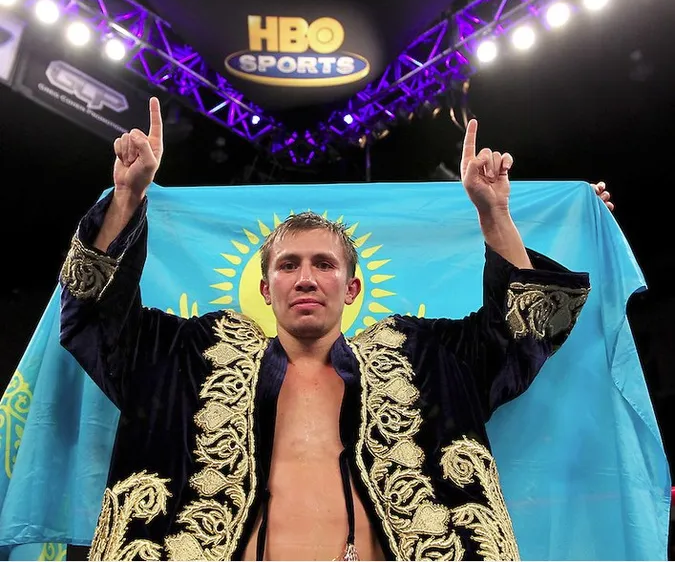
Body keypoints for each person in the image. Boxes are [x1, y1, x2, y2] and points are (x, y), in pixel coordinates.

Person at [59, 97, 591, 561]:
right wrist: (126, 197)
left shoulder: (423, 359)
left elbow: (519, 331)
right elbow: (96, 317)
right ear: (265, 288)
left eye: (324, 264)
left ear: (352, 288)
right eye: (288, 265)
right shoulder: (189, 357)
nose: (306, 278)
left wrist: (494, 214)